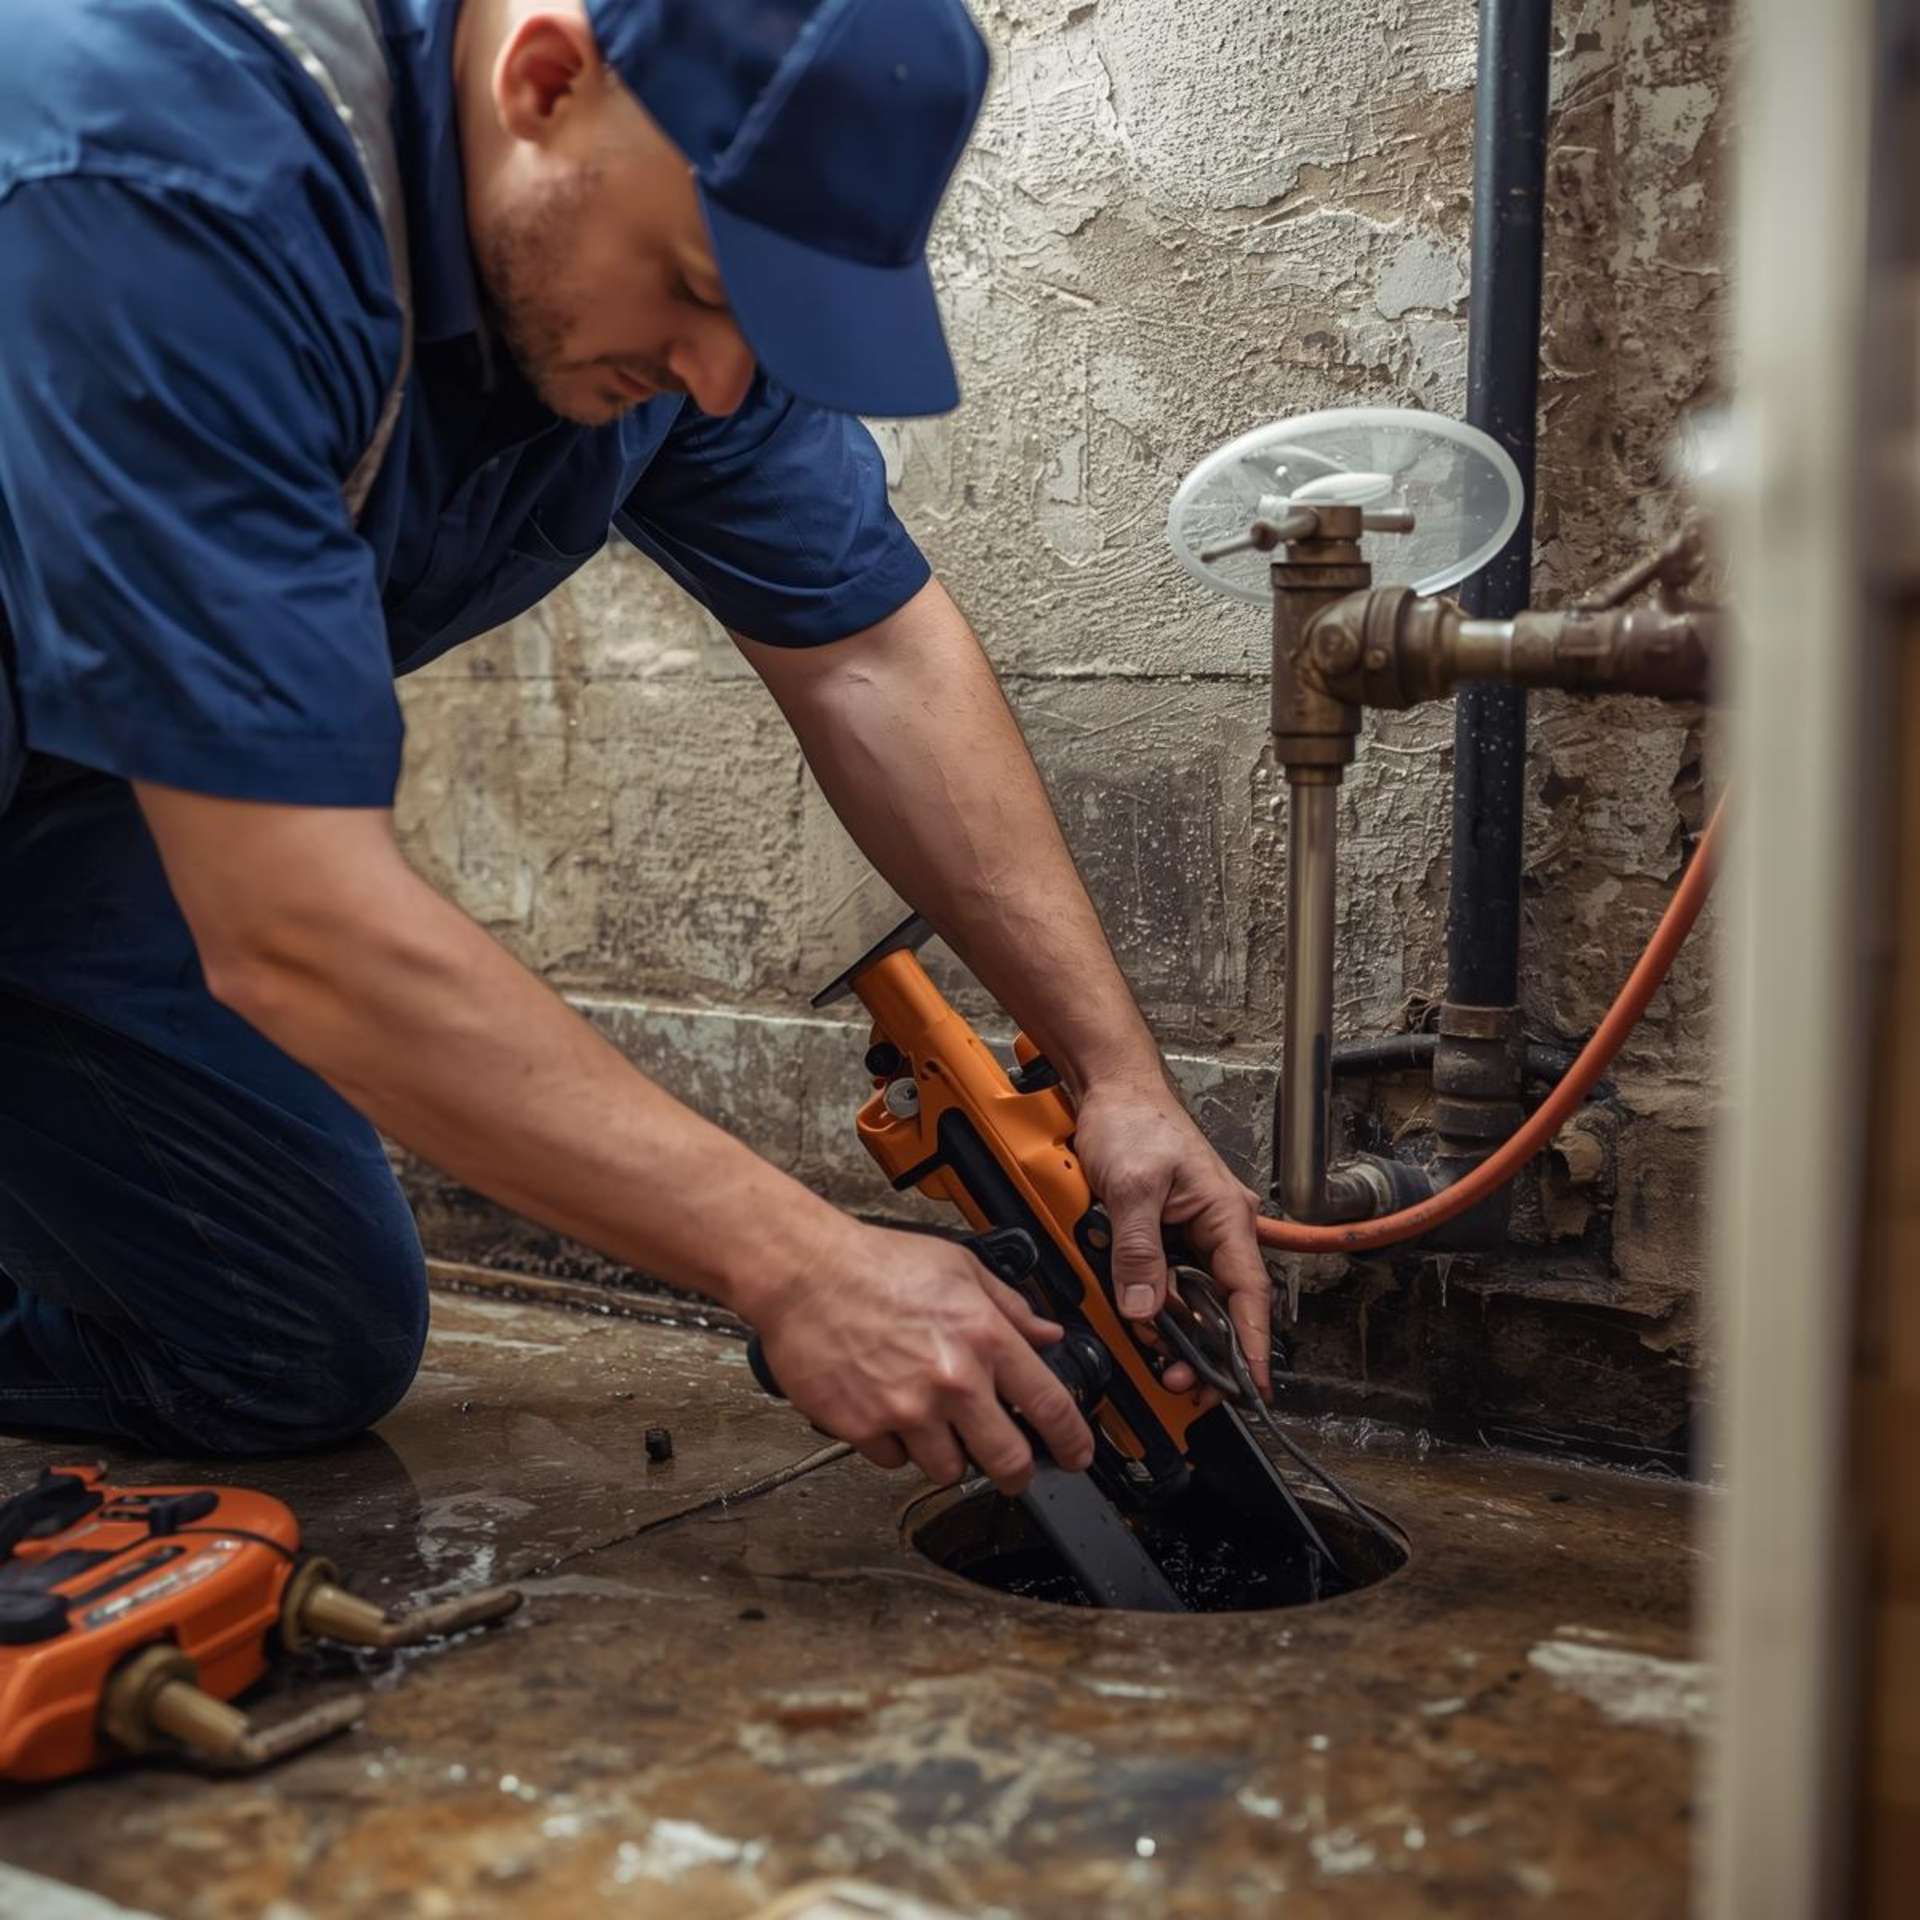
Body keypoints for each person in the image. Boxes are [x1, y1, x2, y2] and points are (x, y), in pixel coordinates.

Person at [0, 0, 1272, 1492]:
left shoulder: (674, 294)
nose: (725, 382)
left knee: (291, 1337)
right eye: (693, 291)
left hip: (71, 794)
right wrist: (792, 1261)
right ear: (543, 81)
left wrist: (1117, 1075)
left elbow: (871, 652)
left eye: (765, 319)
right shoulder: (169, 172)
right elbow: (292, 922)